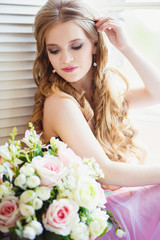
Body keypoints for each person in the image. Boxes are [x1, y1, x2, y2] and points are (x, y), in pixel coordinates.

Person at [30, 0, 160, 239]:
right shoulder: (59, 102)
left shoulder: (103, 94)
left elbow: (157, 93)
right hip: (95, 220)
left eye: (76, 46)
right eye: (54, 50)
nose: (66, 59)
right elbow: (106, 172)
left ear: (94, 45)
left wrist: (127, 47)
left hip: (115, 207)